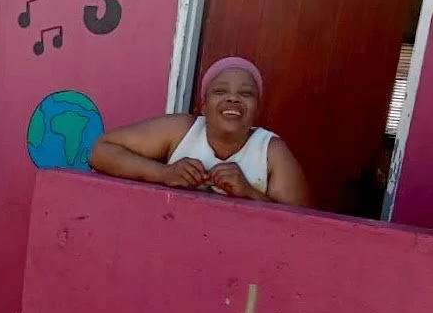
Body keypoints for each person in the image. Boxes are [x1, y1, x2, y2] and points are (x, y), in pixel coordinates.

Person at [90, 57, 312, 208]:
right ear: (204, 106)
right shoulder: (180, 130)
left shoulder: (270, 150)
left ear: (257, 109)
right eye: (220, 91)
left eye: (246, 94)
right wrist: (164, 174)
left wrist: (248, 193)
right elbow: (101, 151)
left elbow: (305, 224)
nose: (232, 98)